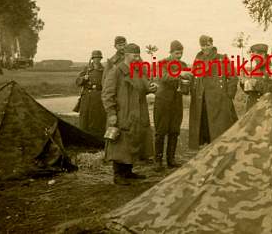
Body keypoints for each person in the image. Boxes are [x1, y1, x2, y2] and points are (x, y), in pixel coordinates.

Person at [101, 43, 157, 185]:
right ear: (126, 56)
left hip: (137, 113)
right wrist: (112, 113)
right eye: (135, 55)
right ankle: (118, 175)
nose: (138, 58)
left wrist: (152, 88)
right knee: (119, 143)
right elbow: (107, 94)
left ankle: (128, 171)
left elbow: (144, 87)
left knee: (133, 140)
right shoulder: (116, 72)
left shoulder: (138, 71)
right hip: (122, 113)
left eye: (138, 55)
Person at [188, 35, 238, 149]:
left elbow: (233, 77)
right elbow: (193, 77)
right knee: (204, 125)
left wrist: (228, 95)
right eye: (203, 45)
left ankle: (219, 149)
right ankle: (206, 149)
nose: (205, 48)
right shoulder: (198, 60)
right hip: (202, 100)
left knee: (219, 127)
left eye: (208, 45)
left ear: (212, 44)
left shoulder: (222, 58)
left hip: (218, 99)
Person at [153, 40, 191, 171]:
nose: (179, 56)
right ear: (171, 52)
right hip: (163, 100)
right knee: (161, 131)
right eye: (176, 53)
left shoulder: (183, 64)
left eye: (181, 53)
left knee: (174, 130)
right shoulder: (162, 63)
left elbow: (187, 80)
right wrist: (179, 74)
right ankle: (158, 161)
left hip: (176, 101)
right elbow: (163, 77)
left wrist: (189, 80)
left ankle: (171, 159)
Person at [75, 50, 107, 138]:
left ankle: (97, 136)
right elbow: (77, 82)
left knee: (98, 116)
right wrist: (83, 78)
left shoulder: (104, 70)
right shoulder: (86, 69)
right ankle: (83, 135)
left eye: (99, 58)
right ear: (92, 58)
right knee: (85, 115)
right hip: (87, 95)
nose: (97, 60)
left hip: (99, 96)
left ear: (101, 59)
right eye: (95, 58)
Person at [239, 43, 269, 111]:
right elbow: (249, 91)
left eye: (254, 55)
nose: (252, 58)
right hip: (253, 105)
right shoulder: (256, 67)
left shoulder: (271, 68)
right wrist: (243, 83)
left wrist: (256, 84)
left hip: (265, 106)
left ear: (262, 54)